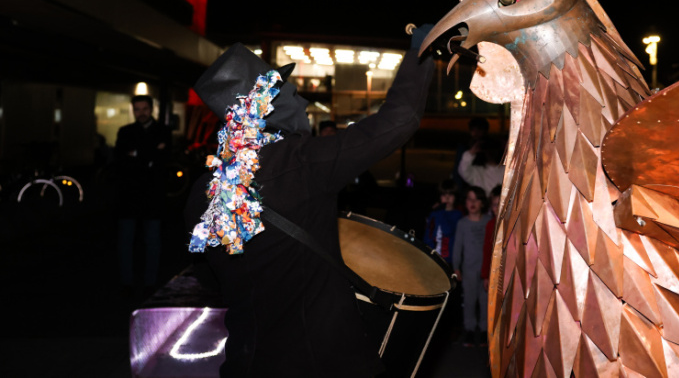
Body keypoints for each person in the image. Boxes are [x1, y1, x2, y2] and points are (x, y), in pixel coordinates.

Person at [185, 30, 434, 378]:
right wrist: (422, 51)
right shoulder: (301, 163)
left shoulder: (203, 190)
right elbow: (399, 119)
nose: (300, 102)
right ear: (264, 107)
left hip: (249, 360)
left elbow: (208, 277)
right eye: (286, 92)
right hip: (324, 360)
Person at [114, 95, 170, 295]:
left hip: (152, 196)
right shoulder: (125, 131)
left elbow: (164, 161)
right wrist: (151, 153)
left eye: (144, 109)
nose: (141, 113)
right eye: (137, 109)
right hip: (129, 196)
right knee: (126, 241)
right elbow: (120, 161)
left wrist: (136, 154)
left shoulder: (163, 131)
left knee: (152, 241)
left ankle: (149, 283)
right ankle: (127, 283)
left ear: (151, 109)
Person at [452, 185, 491, 346]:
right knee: (469, 301)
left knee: (485, 301)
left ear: (482, 203)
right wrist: (456, 267)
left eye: (476, 199)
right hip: (468, 270)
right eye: (469, 199)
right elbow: (457, 247)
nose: (472, 203)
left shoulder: (488, 221)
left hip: (486, 271)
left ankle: (484, 330)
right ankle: (469, 329)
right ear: (465, 202)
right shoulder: (462, 224)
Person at [423, 179, 462, 265]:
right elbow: (428, 234)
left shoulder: (457, 214)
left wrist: (440, 211)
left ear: (455, 197)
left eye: (450, 194)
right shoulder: (434, 213)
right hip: (432, 256)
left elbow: (447, 230)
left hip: (447, 259)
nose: (447, 198)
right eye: (444, 195)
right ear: (440, 197)